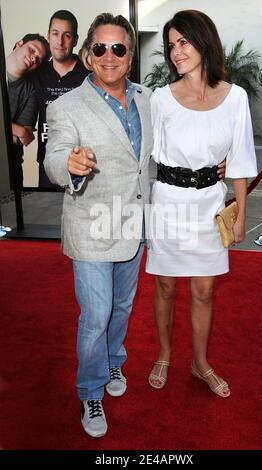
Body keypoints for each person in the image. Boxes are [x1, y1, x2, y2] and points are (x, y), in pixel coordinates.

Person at [44, 13, 153, 438]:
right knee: (97, 314)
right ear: (89, 54)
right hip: (91, 226)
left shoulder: (146, 98)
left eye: (119, 48)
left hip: (135, 223)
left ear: (129, 56)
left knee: (122, 308)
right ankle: (90, 389)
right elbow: (57, 154)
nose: (110, 56)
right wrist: (68, 166)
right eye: (101, 48)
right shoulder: (65, 106)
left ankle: (114, 361)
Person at [146, 10, 258, 397]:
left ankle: (200, 362)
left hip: (210, 204)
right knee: (164, 287)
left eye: (184, 42)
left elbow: (241, 161)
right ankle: (163, 353)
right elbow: (148, 154)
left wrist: (241, 214)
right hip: (167, 202)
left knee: (204, 291)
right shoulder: (161, 98)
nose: (176, 52)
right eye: (172, 45)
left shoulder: (235, 98)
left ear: (204, 41)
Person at [31, 10, 89, 187]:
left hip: (82, 163)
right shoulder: (37, 74)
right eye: (55, 34)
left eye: (67, 35)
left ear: (76, 40)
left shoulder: (88, 75)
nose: (60, 41)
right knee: (47, 213)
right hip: (48, 163)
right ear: (48, 36)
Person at [5, 33, 49, 187]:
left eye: (37, 60)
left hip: (10, 169)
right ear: (19, 43)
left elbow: (23, 138)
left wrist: (21, 133)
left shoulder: (30, 91)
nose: (33, 58)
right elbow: (20, 133)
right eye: (32, 50)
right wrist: (17, 129)